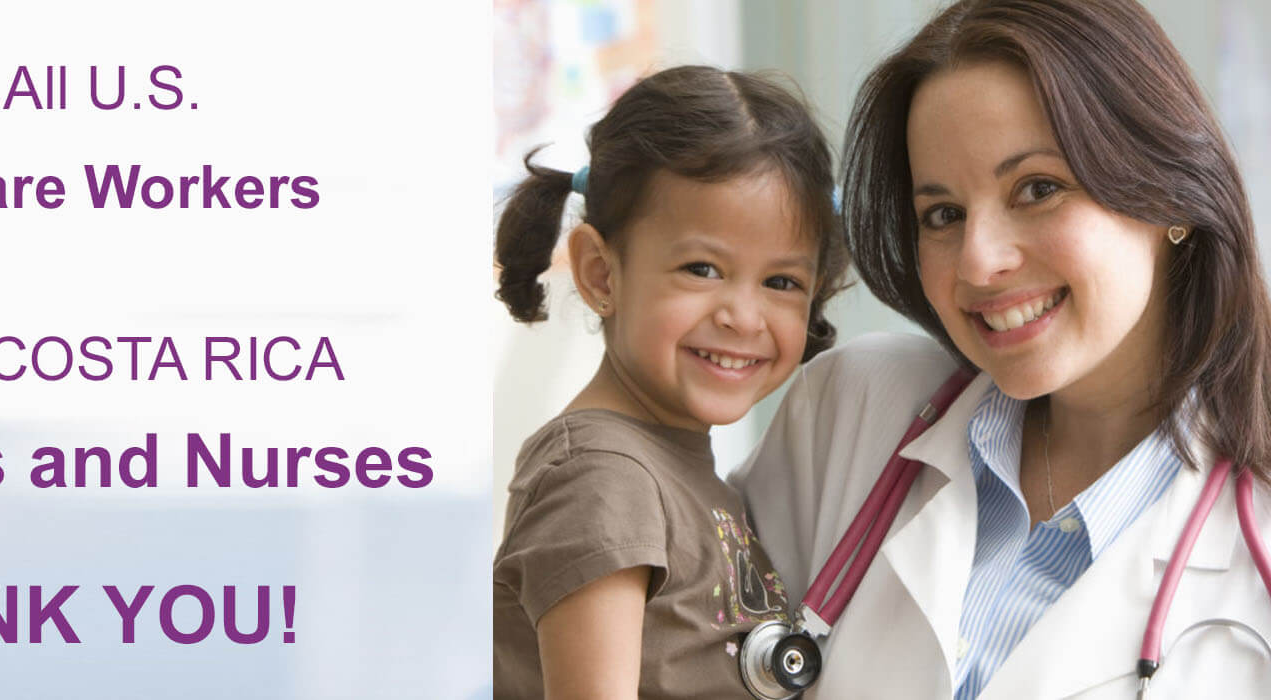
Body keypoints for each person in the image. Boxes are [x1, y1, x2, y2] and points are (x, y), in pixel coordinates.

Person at [735, 1, 1271, 698]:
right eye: (943, 215)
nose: (978, 262)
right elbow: (659, 632)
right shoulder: (852, 413)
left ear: (1167, 197)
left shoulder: (1250, 554)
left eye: (1038, 189)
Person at [491, 65, 849, 699]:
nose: (742, 315)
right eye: (702, 268)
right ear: (602, 275)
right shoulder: (602, 477)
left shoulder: (672, 468)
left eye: (781, 282)